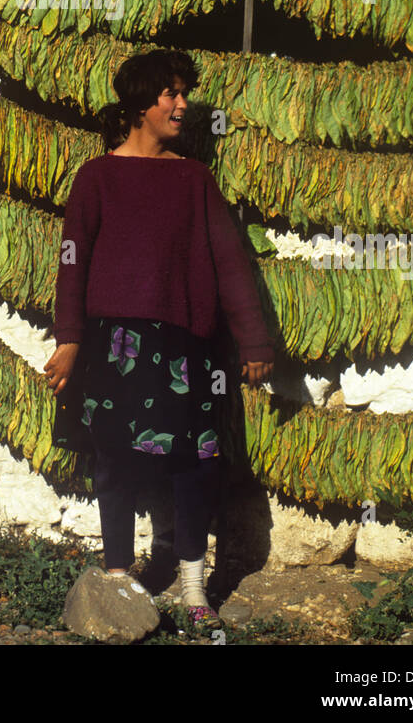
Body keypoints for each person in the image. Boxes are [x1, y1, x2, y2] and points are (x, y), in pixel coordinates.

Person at [44, 47, 275, 622]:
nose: (182, 104)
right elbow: (73, 262)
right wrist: (69, 339)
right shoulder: (96, 178)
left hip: (181, 347)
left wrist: (254, 342)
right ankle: (118, 587)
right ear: (140, 104)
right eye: (170, 93)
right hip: (112, 345)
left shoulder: (194, 180)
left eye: (183, 93)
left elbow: (230, 263)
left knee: (194, 462)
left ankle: (196, 593)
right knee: (114, 461)